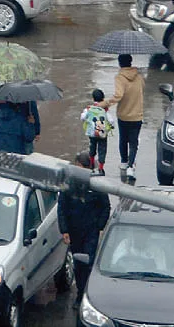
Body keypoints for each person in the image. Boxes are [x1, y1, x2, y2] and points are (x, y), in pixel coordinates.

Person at [60, 152, 111, 281]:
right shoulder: (69, 184)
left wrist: (99, 226)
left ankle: (87, 286)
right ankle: (80, 287)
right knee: (77, 262)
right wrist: (64, 230)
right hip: (74, 230)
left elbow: (105, 207)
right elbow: (62, 208)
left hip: (90, 231)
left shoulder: (97, 185)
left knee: (88, 260)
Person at [109, 53, 147, 182]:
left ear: (120, 63)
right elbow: (143, 89)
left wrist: (106, 103)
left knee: (123, 139)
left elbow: (118, 95)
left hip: (123, 115)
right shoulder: (139, 77)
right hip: (137, 115)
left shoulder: (120, 77)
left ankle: (124, 162)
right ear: (131, 62)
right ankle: (131, 166)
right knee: (134, 141)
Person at [80, 89, 112, 174]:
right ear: (103, 98)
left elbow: (82, 118)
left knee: (92, 148)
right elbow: (111, 121)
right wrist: (111, 127)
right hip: (102, 133)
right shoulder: (105, 110)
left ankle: (91, 165)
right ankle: (101, 169)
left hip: (92, 133)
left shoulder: (89, 109)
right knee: (102, 150)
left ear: (93, 98)